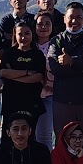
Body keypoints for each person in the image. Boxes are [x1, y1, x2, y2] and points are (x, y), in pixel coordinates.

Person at [49, 2, 83, 138]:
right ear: (64, 19)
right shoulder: (56, 41)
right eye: (71, 17)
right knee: (63, 142)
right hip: (63, 101)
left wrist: (71, 61)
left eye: (79, 17)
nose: (74, 21)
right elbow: (56, 69)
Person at [0, 19, 47, 139]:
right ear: (15, 35)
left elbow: (39, 77)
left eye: (27, 33)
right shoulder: (9, 54)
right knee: (8, 137)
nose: (23, 37)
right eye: (20, 34)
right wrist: (26, 73)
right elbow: (4, 72)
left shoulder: (38, 55)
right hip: (11, 101)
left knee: (29, 136)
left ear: (32, 34)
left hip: (31, 101)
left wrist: (14, 75)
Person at [33, 11, 58, 148]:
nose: (43, 27)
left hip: (50, 95)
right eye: (40, 24)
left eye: (47, 23)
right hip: (30, 95)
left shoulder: (58, 45)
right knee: (29, 135)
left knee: (44, 135)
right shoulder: (29, 45)